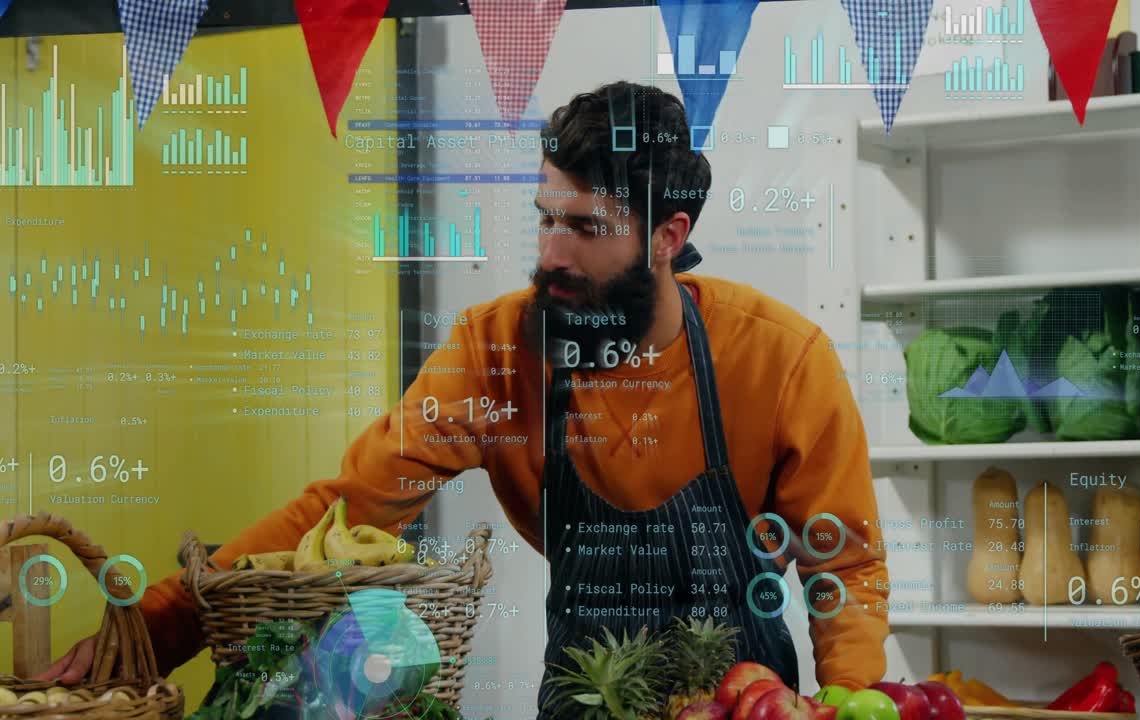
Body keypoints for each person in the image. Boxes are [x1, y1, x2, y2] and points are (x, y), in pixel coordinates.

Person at [38, 81, 890, 715]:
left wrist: (853, 700)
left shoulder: (779, 357)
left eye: (586, 228)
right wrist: (153, 629)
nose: (552, 253)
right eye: (545, 218)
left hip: (745, 704)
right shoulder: (495, 350)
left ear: (669, 236)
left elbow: (843, 563)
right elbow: (348, 507)